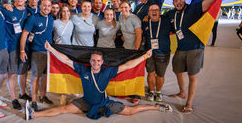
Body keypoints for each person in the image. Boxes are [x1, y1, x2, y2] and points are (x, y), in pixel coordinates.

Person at [25, 42, 172, 120]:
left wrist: (145, 57)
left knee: (130, 112)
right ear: (90, 61)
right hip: (86, 102)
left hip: (103, 104)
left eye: (98, 61)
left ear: (102, 62)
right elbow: (66, 59)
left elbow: (128, 65)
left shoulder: (107, 71)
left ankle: (157, 107)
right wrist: (51, 49)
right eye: (93, 60)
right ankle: (33, 115)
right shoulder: (83, 70)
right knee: (62, 109)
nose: (95, 63)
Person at [167, 0, 231, 114]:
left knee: (192, 76)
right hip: (181, 48)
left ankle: (189, 103)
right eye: (175, 0)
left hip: (195, 48)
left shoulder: (193, 9)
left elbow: (209, 1)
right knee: (177, 70)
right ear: (173, 3)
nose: (178, 2)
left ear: (184, 0)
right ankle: (182, 93)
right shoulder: (171, 14)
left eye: (180, 0)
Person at [20, 0, 54, 111]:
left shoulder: (51, 18)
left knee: (45, 76)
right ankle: (34, 100)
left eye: (49, 6)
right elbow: (25, 34)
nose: (46, 8)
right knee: (35, 77)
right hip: (37, 52)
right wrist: (22, 50)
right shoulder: (33, 18)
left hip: (48, 52)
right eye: (44, 5)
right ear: (40, 6)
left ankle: (42, 96)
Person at [1, 0, 28, 110]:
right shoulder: (7, 10)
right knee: (11, 74)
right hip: (12, 46)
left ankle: (22, 93)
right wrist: (4, 4)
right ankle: (13, 99)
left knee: (22, 73)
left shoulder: (28, 12)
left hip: (24, 47)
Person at [142, 3, 172, 102]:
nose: (154, 12)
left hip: (163, 53)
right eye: (151, 10)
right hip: (149, 53)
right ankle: (151, 91)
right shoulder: (145, 23)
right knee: (150, 73)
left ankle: (158, 92)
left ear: (160, 12)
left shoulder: (166, 21)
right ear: (148, 13)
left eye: (156, 10)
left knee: (160, 75)